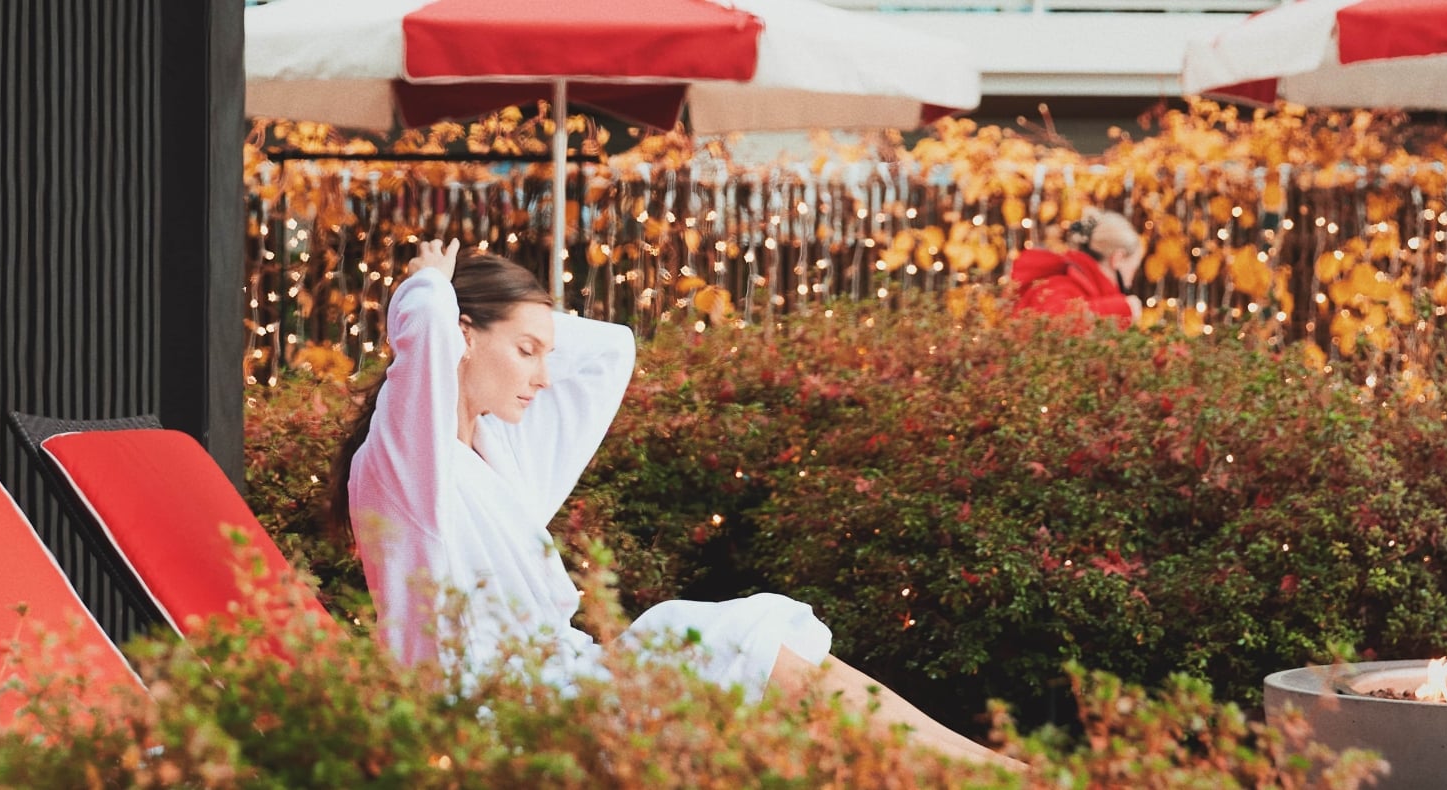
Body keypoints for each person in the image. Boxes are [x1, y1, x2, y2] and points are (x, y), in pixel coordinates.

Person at [329, 239, 1018, 769]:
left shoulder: (497, 462)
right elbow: (418, 350)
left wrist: (522, 324)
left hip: (568, 683)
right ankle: (999, 777)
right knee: (728, 643)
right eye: (528, 351)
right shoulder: (405, 469)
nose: (543, 376)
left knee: (757, 650)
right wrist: (429, 289)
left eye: (546, 354)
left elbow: (608, 353)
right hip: (507, 718)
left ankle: (993, 773)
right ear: (460, 337)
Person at [1010, 209, 1145, 327]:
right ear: (1117, 258)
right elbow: (1055, 324)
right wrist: (1121, 309)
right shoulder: (1061, 283)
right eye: (1133, 268)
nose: (1130, 281)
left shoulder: (1086, 287)